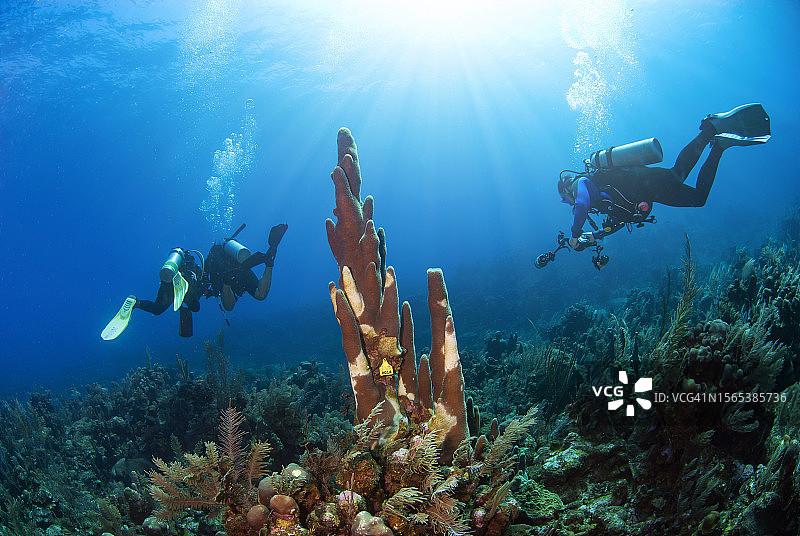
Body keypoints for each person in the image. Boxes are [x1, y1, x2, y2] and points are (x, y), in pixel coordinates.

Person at [557, 103, 770, 254]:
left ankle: (709, 129)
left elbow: (582, 203)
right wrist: (595, 235)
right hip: (650, 193)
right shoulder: (598, 201)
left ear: (566, 188)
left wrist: (575, 235)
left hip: (644, 180)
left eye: (565, 199)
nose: (569, 202)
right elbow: (619, 220)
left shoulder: (581, 184)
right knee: (698, 199)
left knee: (677, 173)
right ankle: (718, 147)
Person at [101, 222, 288, 340]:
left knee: (159, 309)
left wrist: (226, 282)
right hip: (220, 275)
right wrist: (226, 282)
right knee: (195, 306)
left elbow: (232, 302)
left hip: (198, 275)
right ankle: (269, 260)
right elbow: (232, 304)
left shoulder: (217, 265)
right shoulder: (227, 268)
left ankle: (136, 301)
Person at [204, 223, 288, 311]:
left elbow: (229, 307)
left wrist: (225, 284)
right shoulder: (219, 259)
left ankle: (227, 282)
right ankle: (270, 260)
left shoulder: (212, 264)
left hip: (231, 273)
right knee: (260, 294)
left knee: (229, 306)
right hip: (239, 266)